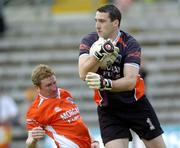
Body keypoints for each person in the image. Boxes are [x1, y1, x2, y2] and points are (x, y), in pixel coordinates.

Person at [78, 4, 166, 148]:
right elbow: (82, 73)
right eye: (96, 20)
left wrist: (105, 83)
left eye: (102, 21)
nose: (97, 26)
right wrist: (98, 55)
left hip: (135, 105)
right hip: (108, 109)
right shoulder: (89, 41)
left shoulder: (130, 44)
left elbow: (130, 81)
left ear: (115, 23)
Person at [25, 64, 99, 148]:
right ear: (37, 88)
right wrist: (34, 139)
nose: (54, 88)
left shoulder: (64, 93)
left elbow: (78, 120)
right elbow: (29, 143)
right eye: (48, 85)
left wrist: (93, 140)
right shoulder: (36, 110)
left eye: (54, 82)